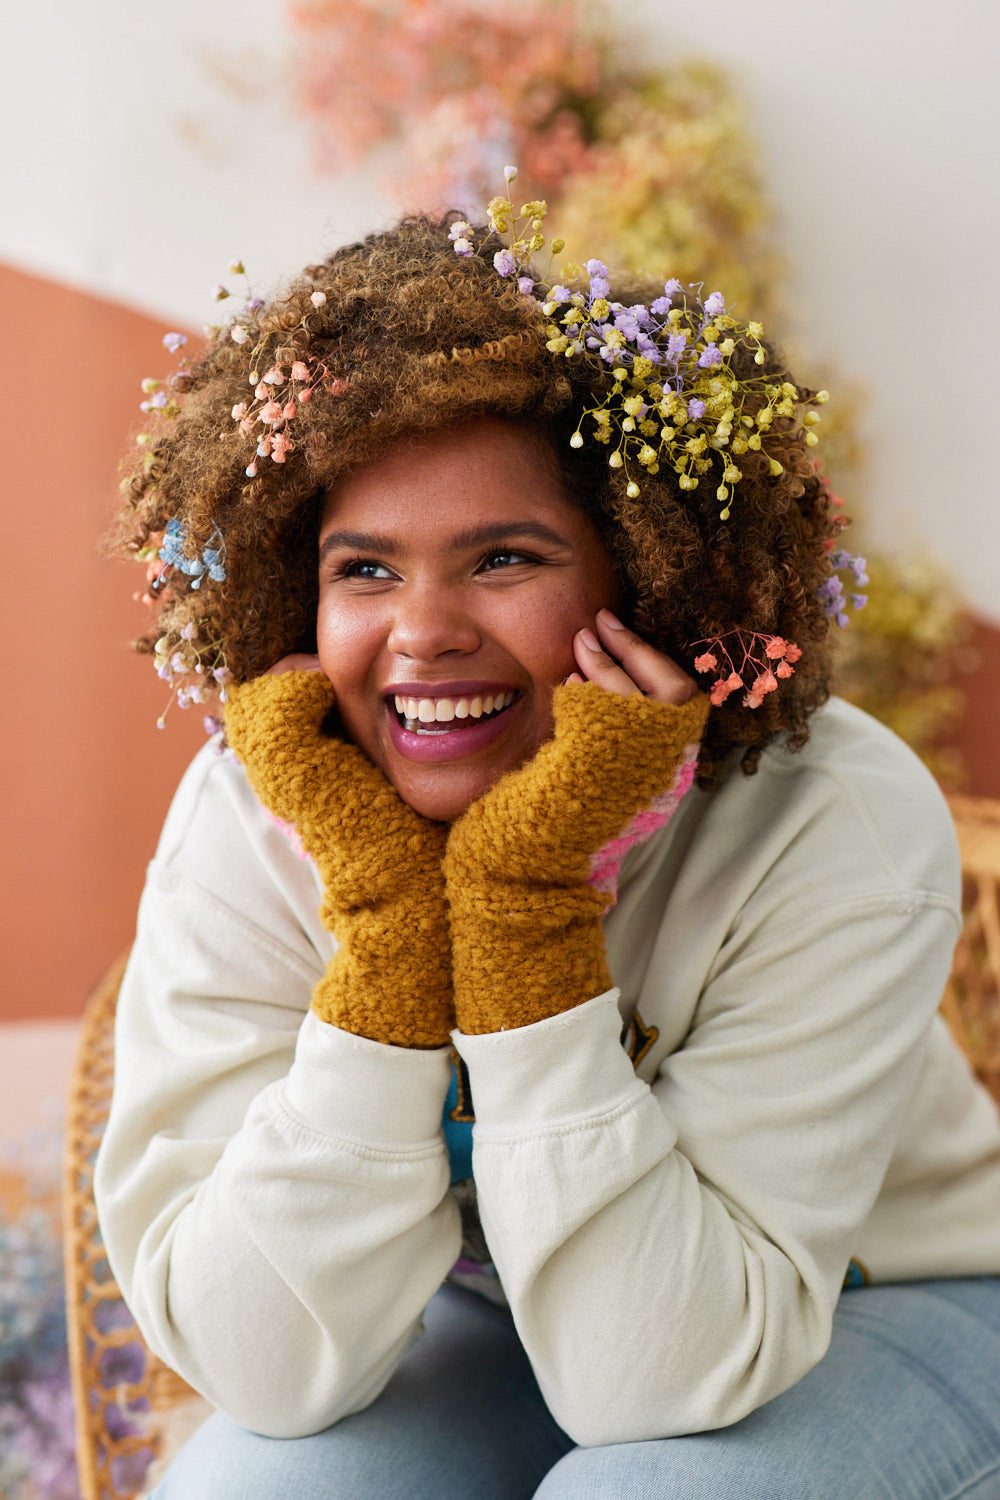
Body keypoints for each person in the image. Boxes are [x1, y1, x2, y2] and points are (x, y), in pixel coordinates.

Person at [95, 198, 1000, 1499]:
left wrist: (524, 900)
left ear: (644, 576)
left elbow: (652, 1384)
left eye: (502, 558)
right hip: (500, 1317)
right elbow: (266, 1365)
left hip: (885, 1300)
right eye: (365, 570)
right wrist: (391, 935)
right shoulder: (261, 808)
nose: (422, 633)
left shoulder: (828, 812)